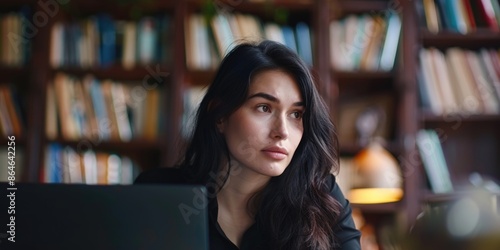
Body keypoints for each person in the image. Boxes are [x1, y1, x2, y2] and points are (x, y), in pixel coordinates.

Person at [135, 40, 361, 250]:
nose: (282, 132)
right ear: (220, 116)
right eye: (264, 108)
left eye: (296, 114)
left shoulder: (322, 199)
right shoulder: (158, 194)